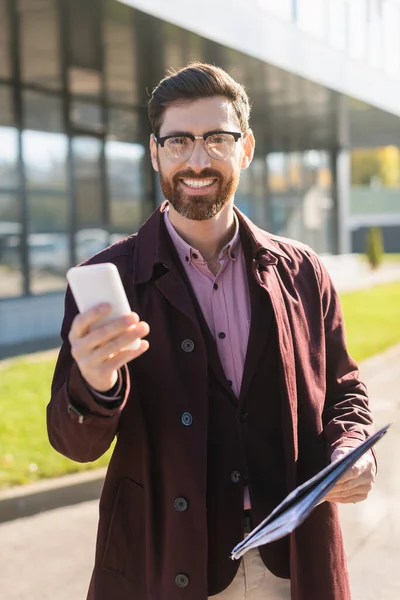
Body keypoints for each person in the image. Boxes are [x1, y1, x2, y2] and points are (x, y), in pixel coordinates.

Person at [47, 63, 376, 600]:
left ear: (245, 149)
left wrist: (354, 446)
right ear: (155, 153)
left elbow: (343, 389)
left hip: (293, 565)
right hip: (168, 565)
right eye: (178, 141)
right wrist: (95, 381)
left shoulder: (302, 269)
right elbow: (73, 443)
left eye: (217, 139)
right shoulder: (108, 282)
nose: (197, 160)